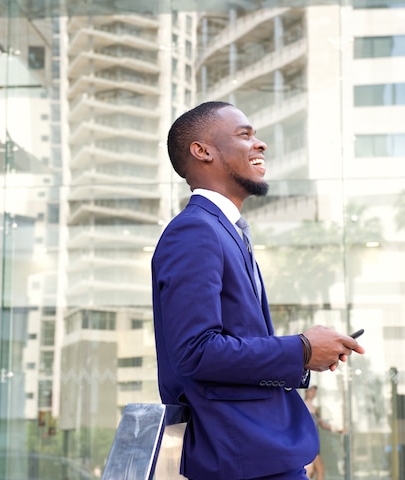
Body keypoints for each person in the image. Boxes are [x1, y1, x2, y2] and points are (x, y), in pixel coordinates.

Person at [151, 101, 365, 480]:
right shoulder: (195, 231)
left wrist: (306, 355)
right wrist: (301, 348)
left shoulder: (226, 231)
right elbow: (195, 352)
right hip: (240, 456)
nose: (260, 144)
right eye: (245, 134)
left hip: (259, 453)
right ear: (202, 151)